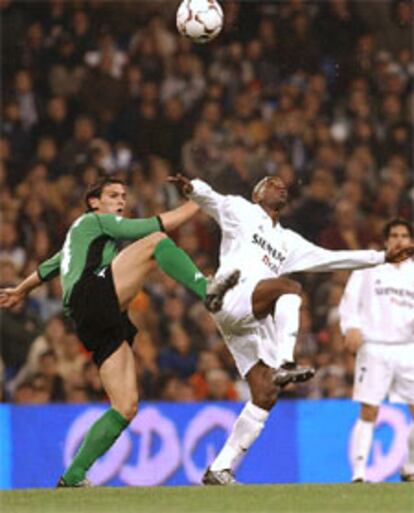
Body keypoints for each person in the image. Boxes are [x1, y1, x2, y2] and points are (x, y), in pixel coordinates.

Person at [170, 174, 414, 485]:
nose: (281, 185)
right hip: (238, 298)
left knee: (265, 393)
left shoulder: (289, 242)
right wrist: (192, 186)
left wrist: (380, 257)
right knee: (290, 288)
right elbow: (210, 200)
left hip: (245, 322)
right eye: (272, 182)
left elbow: (332, 259)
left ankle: (220, 468)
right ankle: (283, 359)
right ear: (258, 193)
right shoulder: (241, 210)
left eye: (284, 185)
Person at [0, 176, 239, 487]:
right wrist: (200, 201)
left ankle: (72, 477)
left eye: (123, 195)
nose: (121, 201)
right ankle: (206, 289)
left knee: (125, 407)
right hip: (92, 296)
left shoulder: (81, 242)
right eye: (112, 195)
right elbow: (147, 228)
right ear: (94, 203)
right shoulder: (93, 222)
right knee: (155, 241)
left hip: (93, 319)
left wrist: (21, 289)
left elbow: (51, 265)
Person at [339, 218, 414, 483]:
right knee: (369, 409)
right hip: (374, 346)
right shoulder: (369, 268)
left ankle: (410, 466)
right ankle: (359, 472)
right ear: (386, 241)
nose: (399, 240)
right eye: (393, 235)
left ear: (412, 242)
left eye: (404, 235)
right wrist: (351, 327)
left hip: (408, 347)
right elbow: (349, 302)